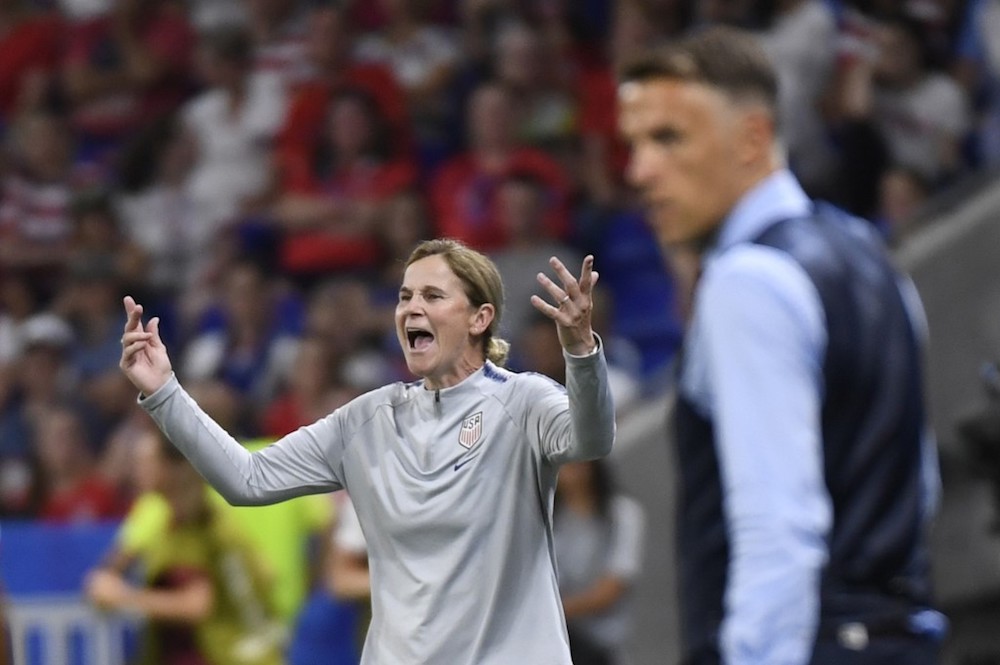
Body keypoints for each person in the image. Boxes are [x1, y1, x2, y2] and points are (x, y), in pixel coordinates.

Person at [118, 238, 614, 664]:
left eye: (433, 295)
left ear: (480, 318)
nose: (411, 308)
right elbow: (247, 480)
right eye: (404, 297)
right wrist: (166, 394)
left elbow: (590, 440)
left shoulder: (522, 401)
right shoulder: (367, 420)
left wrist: (580, 351)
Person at [617, 26, 945, 665]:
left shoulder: (748, 282)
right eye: (633, 144)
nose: (639, 171)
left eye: (667, 138)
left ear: (752, 138)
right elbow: (918, 487)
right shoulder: (871, 254)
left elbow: (778, 532)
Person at [85, 426, 284, 665]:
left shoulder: (200, 526)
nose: (137, 470)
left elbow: (197, 604)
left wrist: (123, 596)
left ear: (174, 468)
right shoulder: (166, 517)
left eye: (146, 461)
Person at [554, 459, 646, 665]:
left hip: (603, 643)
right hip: (559, 642)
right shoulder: (549, 522)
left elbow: (611, 590)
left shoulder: (622, 514)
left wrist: (558, 608)